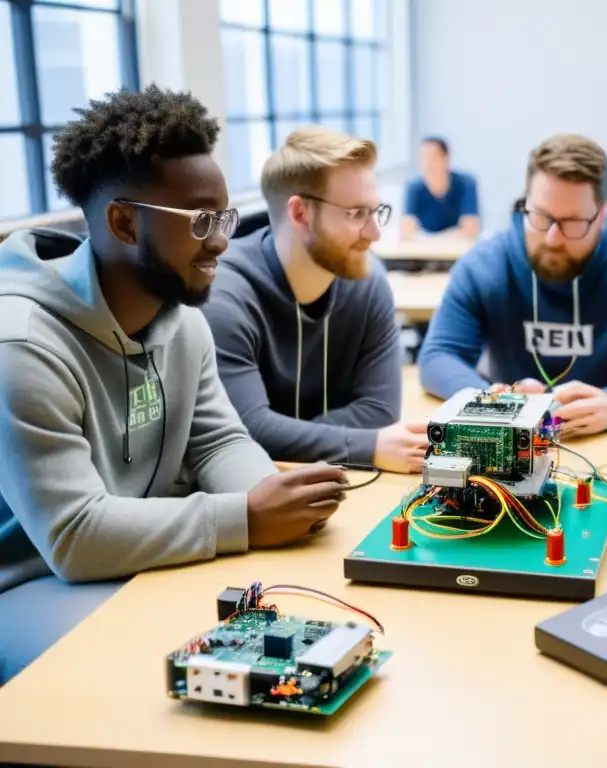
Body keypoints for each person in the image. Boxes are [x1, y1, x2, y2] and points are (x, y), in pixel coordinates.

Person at [0, 86, 347, 684]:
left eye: (225, 217)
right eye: (201, 221)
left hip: (142, 552)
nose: (221, 241)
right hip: (32, 580)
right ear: (123, 222)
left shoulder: (181, 317)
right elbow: (75, 537)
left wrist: (276, 502)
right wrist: (245, 518)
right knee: (154, 675)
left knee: (280, 624)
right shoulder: (22, 344)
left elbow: (216, 442)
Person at [417, 134, 607, 436]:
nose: (552, 237)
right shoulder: (484, 264)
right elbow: (438, 357)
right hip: (510, 440)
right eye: (541, 216)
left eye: (573, 222)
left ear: (601, 215)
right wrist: (494, 402)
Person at [202, 126, 427, 474]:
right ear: (300, 213)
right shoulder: (224, 296)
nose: (374, 233)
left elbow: (380, 411)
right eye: (356, 214)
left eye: (375, 211)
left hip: (325, 484)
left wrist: (289, 434)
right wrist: (365, 445)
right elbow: (248, 430)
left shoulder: (369, 281)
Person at [400, 137, 480, 240]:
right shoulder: (413, 187)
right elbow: (406, 231)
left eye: (434, 157)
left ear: (446, 158)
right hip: (425, 251)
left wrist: (430, 239)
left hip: (457, 250)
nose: (428, 164)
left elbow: (470, 230)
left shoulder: (466, 183)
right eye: (424, 157)